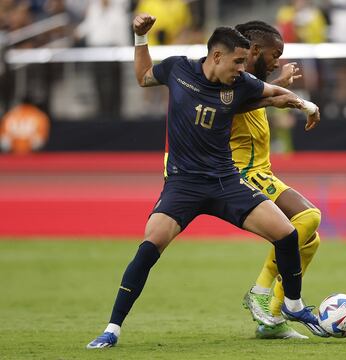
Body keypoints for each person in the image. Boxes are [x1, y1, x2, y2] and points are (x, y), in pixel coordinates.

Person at [86, 13, 328, 349]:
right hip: (183, 185)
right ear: (217, 56)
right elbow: (142, 76)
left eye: (246, 62)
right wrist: (140, 38)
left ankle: (292, 305)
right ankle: (112, 329)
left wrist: (305, 104)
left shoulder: (240, 83)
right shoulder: (177, 69)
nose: (243, 69)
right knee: (149, 248)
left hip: (225, 181)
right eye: (238, 62)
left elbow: (273, 93)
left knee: (287, 234)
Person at [232, 21, 322, 340]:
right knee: (309, 217)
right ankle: (259, 292)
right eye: (275, 54)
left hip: (262, 172)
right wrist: (293, 100)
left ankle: (270, 321)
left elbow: (261, 96)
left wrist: (297, 101)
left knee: (309, 241)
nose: (277, 61)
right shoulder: (231, 81)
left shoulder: (251, 83)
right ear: (254, 50)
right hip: (243, 174)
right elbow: (234, 102)